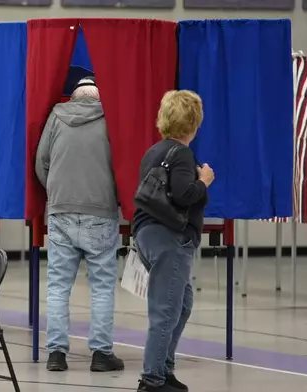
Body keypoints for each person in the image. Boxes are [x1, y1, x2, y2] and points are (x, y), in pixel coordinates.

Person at [35, 76, 124, 373]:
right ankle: (101, 354)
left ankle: (56, 355)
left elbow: (41, 163)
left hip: (60, 212)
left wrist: (58, 192)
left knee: (58, 287)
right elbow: (120, 166)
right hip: (100, 212)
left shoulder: (56, 117)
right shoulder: (109, 120)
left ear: (74, 96)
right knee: (101, 287)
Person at [132, 90, 214, 392]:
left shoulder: (153, 151)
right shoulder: (181, 154)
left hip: (146, 235)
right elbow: (183, 195)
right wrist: (203, 181)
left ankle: (163, 369)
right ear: (194, 123)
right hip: (169, 238)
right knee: (166, 309)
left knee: (182, 304)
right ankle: (152, 379)